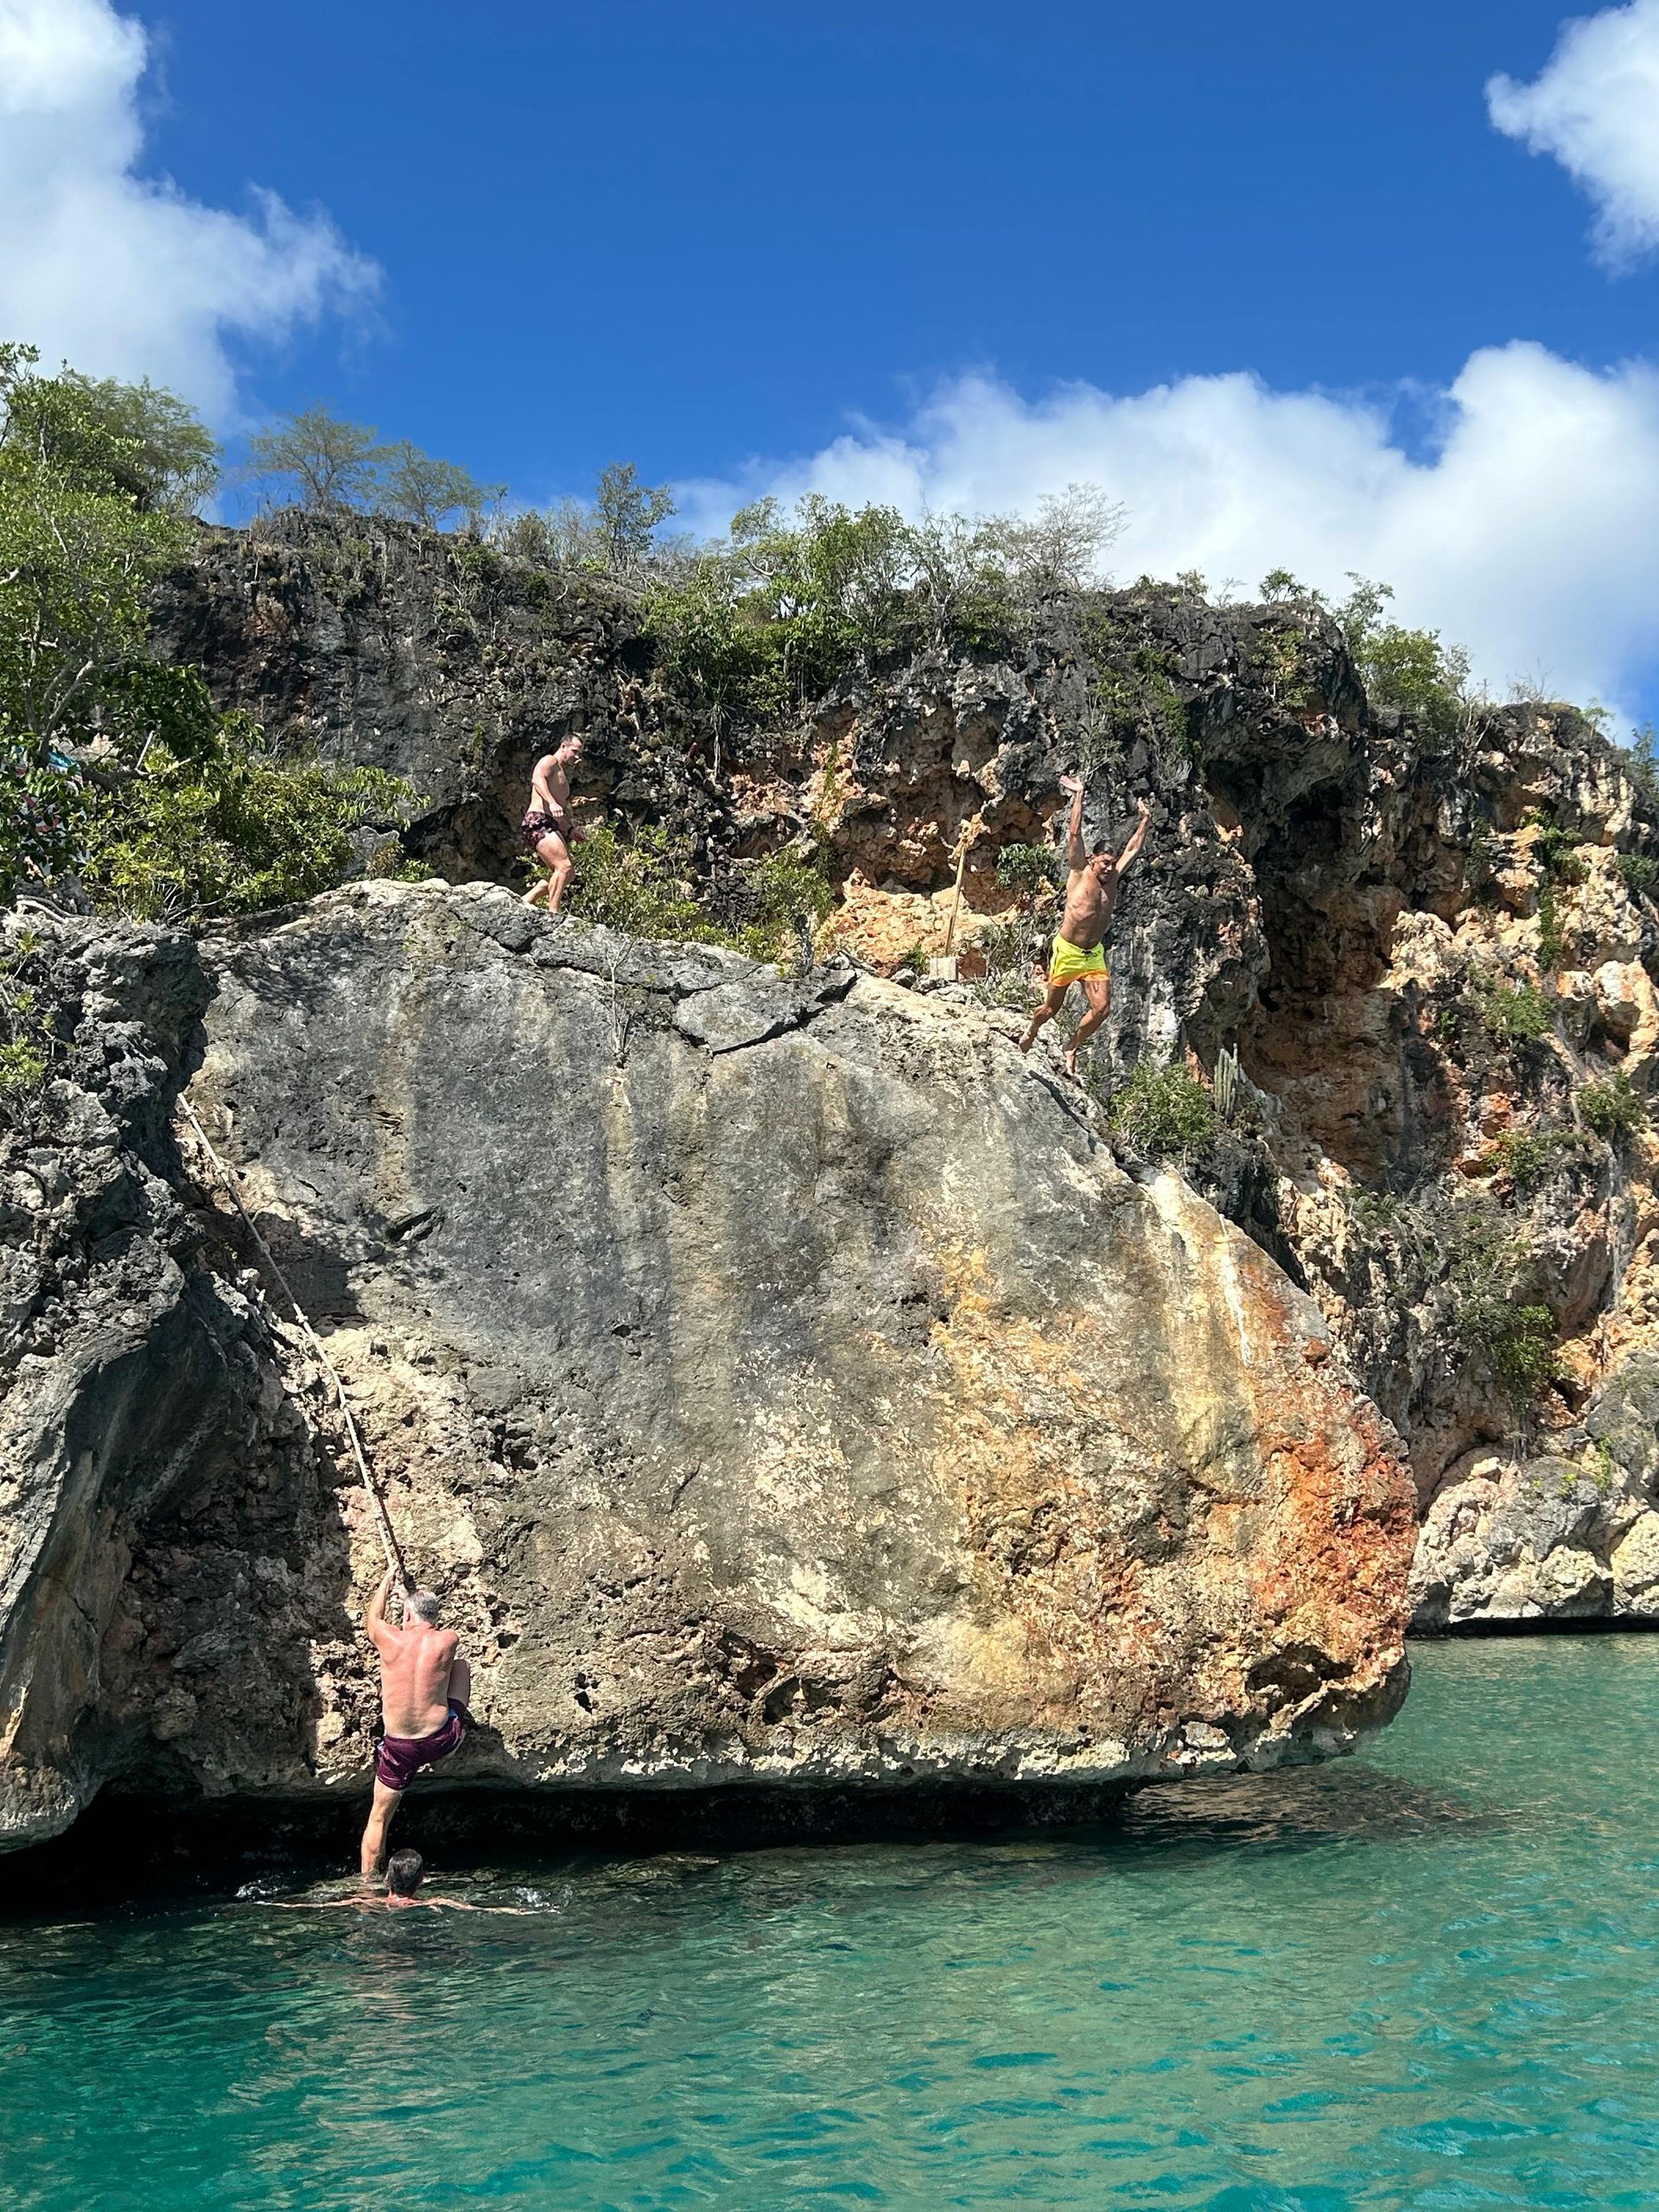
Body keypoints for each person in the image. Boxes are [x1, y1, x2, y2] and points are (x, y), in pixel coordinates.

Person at [1019, 772, 1151, 1075]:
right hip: (1067, 950)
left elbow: (1133, 849)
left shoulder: (1114, 875)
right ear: (1093, 859)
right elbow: (1075, 834)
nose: (1108, 867)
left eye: (1111, 862)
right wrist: (1078, 794)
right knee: (1050, 1010)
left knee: (1102, 1009)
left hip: (1092, 954)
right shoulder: (1080, 870)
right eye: (1103, 862)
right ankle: (1032, 1029)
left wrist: (1145, 819)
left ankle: (1071, 1047)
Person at [359, 1570, 471, 1879]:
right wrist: (412, 1603)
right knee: (460, 1667)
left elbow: (373, 1619)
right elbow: (426, 1628)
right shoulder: (449, 1640)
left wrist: (385, 1586)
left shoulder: (389, 1638)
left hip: (400, 1748)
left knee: (379, 1817)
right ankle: (455, 1719)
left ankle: (368, 1881)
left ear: (406, 1613)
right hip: (442, 1739)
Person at [263, 1850, 528, 1914]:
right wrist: (517, 1911)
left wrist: (274, 1905)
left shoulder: (364, 1901)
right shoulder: (435, 1902)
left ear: (387, 1878)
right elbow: (479, 1910)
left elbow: (306, 1907)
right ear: (422, 1881)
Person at [520, 734, 585, 913]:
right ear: (563, 746)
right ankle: (553, 912)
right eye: (574, 751)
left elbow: (559, 814)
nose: (577, 757)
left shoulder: (563, 778)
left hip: (550, 823)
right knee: (564, 866)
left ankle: (534, 894)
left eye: (579, 754)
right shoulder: (550, 761)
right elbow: (537, 779)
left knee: (568, 874)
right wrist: (551, 802)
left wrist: (571, 830)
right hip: (537, 820)